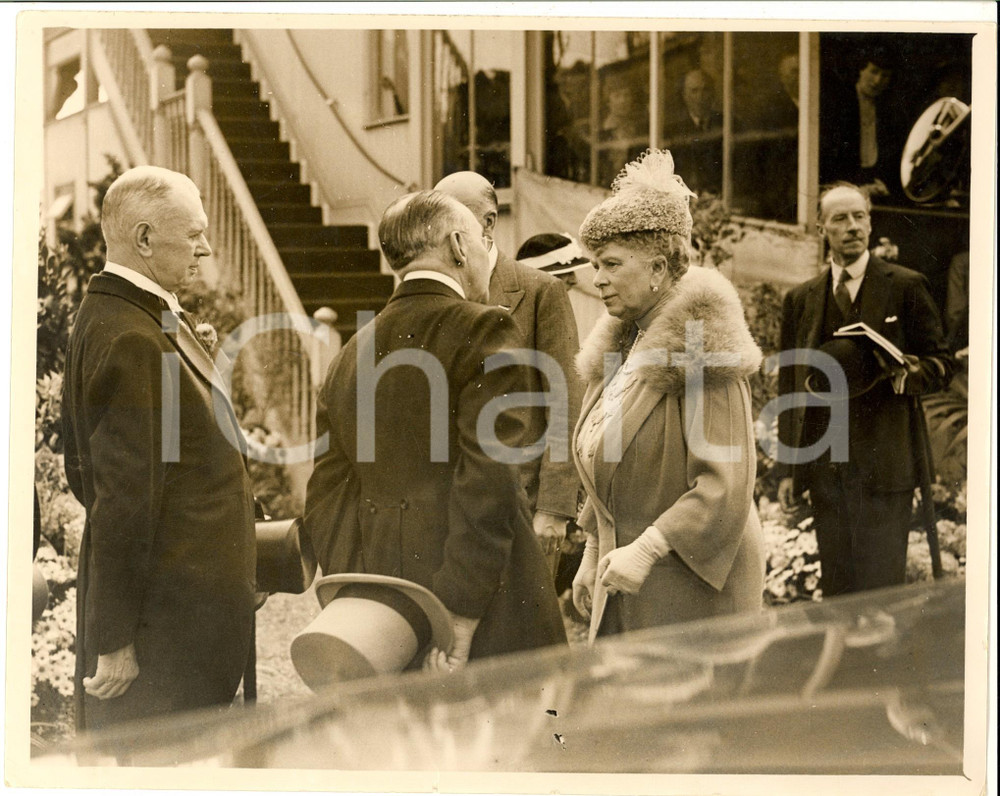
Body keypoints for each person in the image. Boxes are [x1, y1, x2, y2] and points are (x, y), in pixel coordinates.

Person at [304, 190, 566, 671]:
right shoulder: (486, 327)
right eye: (484, 241)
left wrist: (362, 595)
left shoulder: (349, 354)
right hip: (485, 598)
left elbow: (325, 495)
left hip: (387, 606)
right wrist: (460, 614)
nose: (488, 254)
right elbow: (490, 479)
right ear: (459, 246)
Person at [62, 166, 256, 731]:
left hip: (179, 615)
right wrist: (114, 639)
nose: (206, 248)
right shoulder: (131, 334)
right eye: (193, 234)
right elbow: (121, 499)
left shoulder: (134, 316)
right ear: (144, 239)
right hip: (164, 631)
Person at [570, 150, 766, 643]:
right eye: (595, 264)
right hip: (630, 579)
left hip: (691, 588)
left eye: (611, 264)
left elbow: (724, 484)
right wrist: (594, 550)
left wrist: (647, 549)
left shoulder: (702, 347)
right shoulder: (623, 345)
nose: (597, 279)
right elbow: (608, 468)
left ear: (658, 268)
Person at [776, 183, 954, 597]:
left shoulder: (906, 286)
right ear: (821, 228)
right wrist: (787, 470)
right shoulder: (801, 300)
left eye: (860, 216)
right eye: (840, 218)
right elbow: (790, 389)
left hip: (886, 468)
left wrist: (907, 374)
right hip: (827, 470)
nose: (852, 226)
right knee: (837, 593)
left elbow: (942, 364)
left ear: (871, 223)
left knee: (880, 594)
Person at [434, 172, 583, 571]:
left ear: (488, 223)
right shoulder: (435, 295)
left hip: (524, 505)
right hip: (449, 509)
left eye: (452, 217)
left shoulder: (539, 291)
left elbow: (566, 400)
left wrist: (554, 507)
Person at [820, 49, 904, 197]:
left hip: (874, 181)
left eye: (885, 76)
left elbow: (892, 154)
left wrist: (882, 183)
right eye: (874, 71)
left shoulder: (889, 110)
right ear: (861, 70)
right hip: (841, 182)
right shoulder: (839, 102)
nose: (877, 81)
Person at [663, 69, 723, 194]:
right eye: (694, 91)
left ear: (713, 93)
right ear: (684, 96)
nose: (700, 97)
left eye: (705, 90)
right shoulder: (672, 130)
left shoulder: (726, 124)